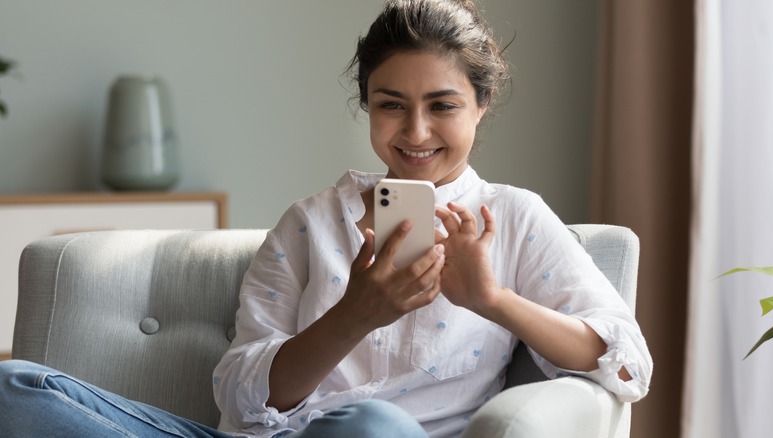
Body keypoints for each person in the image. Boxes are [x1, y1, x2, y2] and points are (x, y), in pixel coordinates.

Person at [0, 1, 652, 437]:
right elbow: (240, 398)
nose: (416, 131)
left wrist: (492, 298)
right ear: (366, 105)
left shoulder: (513, 219)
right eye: (391, 105)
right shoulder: (312, 223)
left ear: (481, 105)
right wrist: (356, 315)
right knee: (13, 385)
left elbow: (626, 364)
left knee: (366, 426)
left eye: (443, 105)